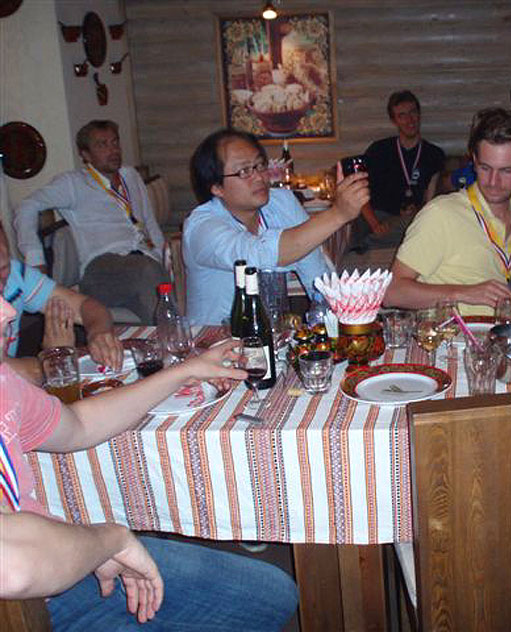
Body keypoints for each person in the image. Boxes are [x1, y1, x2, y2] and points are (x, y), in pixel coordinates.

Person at [0, 296, 299, 629]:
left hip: (56, 555)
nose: (9, 311)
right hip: (24, 604)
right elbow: (14, 566)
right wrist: (110, 540)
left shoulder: (4, 381)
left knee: (273, 593)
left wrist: (184, 372)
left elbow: (78, 426)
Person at [384, 108, 511, 316]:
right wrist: (464, 293)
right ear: (474, 161)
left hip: (506, 329)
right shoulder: (440, 215)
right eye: (485, 168)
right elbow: (391, 293)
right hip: (451, 333)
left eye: (506, 170)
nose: (493, 182)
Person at [184, 128, 369, 326]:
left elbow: (318, 277)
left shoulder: (281, 202)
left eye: (260, 165)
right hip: (215, 337)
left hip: (273, 332)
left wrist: (342, 319)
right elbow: (261, 254)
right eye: (244, 171)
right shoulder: (201, 228)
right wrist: (338, 214)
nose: (259, 177)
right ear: (216, 187)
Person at [14, 120, 169, 323]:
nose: (113, 150)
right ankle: (170, 331)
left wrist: (164, 256)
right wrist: (35, 260)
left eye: (115, 142)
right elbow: (26, 207)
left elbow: (148, 222)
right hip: (101, 269)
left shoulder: (130, 176)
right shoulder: (73, 183)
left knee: (157, 289)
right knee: (147, 272)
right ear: (86, 155)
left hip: (141, 263)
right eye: (102, 145)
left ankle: (163, 333)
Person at [0, 223, 123, 381]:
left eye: (3, 268)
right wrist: (55, 356)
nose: (2, 285)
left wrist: (98, 333)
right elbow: (17, 374)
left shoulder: (16, 274)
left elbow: (87, 306)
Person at [353, 91, 445, 250]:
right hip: (376, 216)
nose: (410, 120)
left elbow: (429, 201)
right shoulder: (379, 150)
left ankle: (366, 244)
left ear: (419, 114)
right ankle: (372, 240)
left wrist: (418, 211)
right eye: (402, 116)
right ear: (394, 120)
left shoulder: (434, 154)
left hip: (407, 220)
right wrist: (375, 224)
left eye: (413, 112)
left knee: (420, 224)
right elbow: (359, 190)